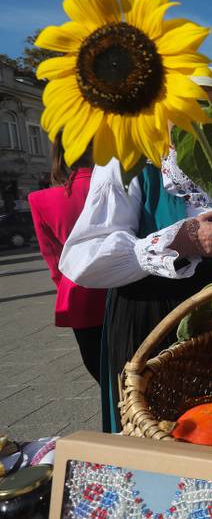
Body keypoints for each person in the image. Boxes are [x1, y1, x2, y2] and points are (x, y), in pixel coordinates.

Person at [60, 67, 212, 432]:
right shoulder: (130, 159)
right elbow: (84, 257)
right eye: (197, 108)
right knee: (157, 427)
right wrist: (181, 240)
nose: (208, 122)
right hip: (152, 316)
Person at [28, 141, 107, 383]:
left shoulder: (40, 199)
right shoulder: (120, 185)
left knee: (104, 377)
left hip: (80, 295)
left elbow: (54, 262)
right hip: (131, 290)